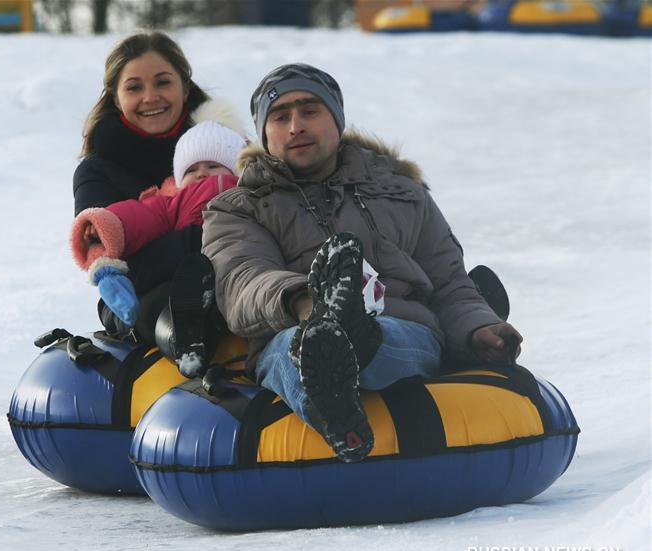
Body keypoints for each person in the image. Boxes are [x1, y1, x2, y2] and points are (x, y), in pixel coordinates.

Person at [201, 64, 523, 464]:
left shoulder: (403, 193)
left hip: (399, 328)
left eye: (309, 111)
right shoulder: (239, 208)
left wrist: (479, 328)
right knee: (299, 347)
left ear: (337, 119)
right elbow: (243, 280)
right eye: (280, 117)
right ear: (265, 134)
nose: (295, 126)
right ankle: (334, 400)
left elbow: (449, 282)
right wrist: (308, 303)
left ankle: (355, 340)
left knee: (390, 336)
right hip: (291, 331)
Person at [70, 117, 247, 375]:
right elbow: (141, 217)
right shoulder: (172, 201)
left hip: (240, 271)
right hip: (192, 276)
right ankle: (182, 342)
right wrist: (104, 225)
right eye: (191, 169)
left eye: (213, 165)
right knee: (173, 301)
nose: (201, 173)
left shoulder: (250, 190)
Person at [74, 31, 215, 347]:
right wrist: (202, 240)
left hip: (236, 277)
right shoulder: (98, 170)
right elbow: (118, 261)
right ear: (115, 98)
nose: (150, 97)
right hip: (144, 301)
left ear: (185, 87)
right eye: (134, 87)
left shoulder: (221, 147)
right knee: (165, 304)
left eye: (163, 82)